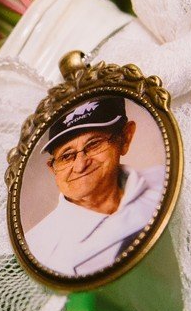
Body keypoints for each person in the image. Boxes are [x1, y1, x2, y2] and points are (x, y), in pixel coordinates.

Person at [25, 96, 166, 277]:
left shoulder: (163, 178)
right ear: (53, 169)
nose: (80, 165)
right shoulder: (37, 249)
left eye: (94, 144)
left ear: (125, 138)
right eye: (67, 156)